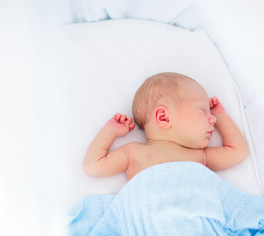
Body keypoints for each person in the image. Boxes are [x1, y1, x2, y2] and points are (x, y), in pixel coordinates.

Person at [83, 72, 249, 180]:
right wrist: (110, 131)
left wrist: (222, 117)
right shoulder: (134, 152)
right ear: (163, 117)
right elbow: (93, 166)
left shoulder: (201, 155)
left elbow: (238, 152)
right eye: (203, 110)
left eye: (212, 114)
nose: (212, 118)